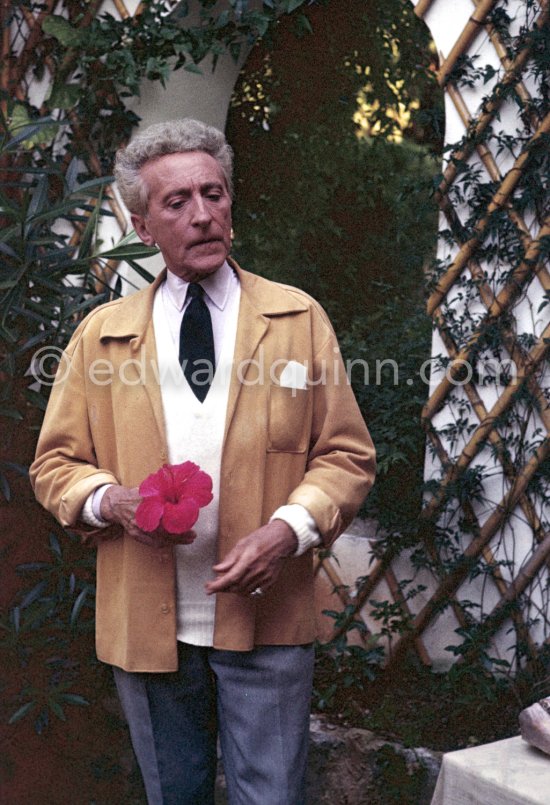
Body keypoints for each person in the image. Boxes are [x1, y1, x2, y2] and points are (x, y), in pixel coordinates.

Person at [30, 118, 375, 805]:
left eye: (213, 194)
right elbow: (57, 464)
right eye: (176, 202)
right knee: (173, 795)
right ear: (142, 224)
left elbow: (344, 454)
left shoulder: (297, 320)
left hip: (267, 617)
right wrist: (114, 502)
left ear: (231, 204)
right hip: (146, 625)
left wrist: (289, 531)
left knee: (270, 796)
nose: (202, 214)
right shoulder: (102, 337)